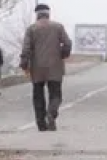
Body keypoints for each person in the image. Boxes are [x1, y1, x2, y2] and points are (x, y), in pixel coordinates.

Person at [19, 3, 72, 131]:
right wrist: (63, 54)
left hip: (37, 68)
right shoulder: (58, 27)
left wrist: (24, 63)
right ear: (48, 14)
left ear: (37, 15)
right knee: (55, 94)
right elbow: (68, 43)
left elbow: (26, 48)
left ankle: (41, 124)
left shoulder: (31, 29)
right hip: (55, 67)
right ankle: (51, 113)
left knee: (38, 96)